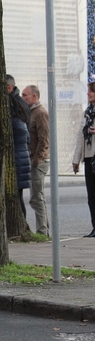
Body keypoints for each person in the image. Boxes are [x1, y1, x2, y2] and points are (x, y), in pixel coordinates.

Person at [22, 85, 50, 235]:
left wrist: (36, 160)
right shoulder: (30, 112)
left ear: (34, 97)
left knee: (36, 198)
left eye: (25, 95)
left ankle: (43, 231)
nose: (23, 97)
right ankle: (45, 228)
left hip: (39, 161)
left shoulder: (40, 113)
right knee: (37, 197)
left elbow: (44, 139)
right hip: (33, 159)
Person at [72, 81, 95, 237]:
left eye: (91, 91)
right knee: (91, 195)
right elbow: (81, 136)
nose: (88, 93)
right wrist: (76, 159)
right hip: (89, 158)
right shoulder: (87, 112)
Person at [6, 75, 31, 217]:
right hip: (22, 155)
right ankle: (21, 225)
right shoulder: (21, 104)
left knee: (15, 198)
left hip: (17, 157)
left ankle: (20, 225)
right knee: (17, 197)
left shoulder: (13, 105)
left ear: (9, 87)